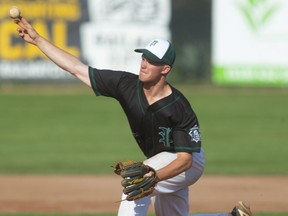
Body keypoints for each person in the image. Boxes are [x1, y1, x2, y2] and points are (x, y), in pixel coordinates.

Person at [15, 17, 252, 216]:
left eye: (152, 61)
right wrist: (37, 41)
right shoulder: (126, 85)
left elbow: (185, 161)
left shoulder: (179, 107)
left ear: (165, 69)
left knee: (135, 185)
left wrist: (153, 176)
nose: (144, 64)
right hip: (164, 159)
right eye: (143, 57)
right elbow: (77, 69)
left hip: (188, 159)